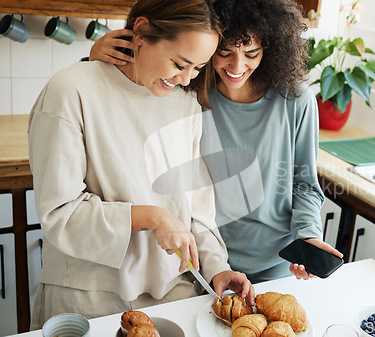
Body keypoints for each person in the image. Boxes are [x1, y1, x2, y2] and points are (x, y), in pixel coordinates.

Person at [28, 0, 253, 330]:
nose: (185, 78)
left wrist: (216, 267)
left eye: (197, 68)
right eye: (179, 63)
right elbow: (61, 213)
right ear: (142, 31)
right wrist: (152, 216)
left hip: (173, 292)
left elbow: (198, 210)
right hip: (88, 297)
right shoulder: (70, 91)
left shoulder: (186, 104)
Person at [90, 0, 343, 285]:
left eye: (251, 53)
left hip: (277, 261)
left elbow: (304, 182)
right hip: (206, 258)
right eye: (225, 52)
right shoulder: (187, 90)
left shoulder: (296, 100)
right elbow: (123, 104)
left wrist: (308, 235)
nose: (237, 66)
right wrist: (97, 60)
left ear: (269, 48)